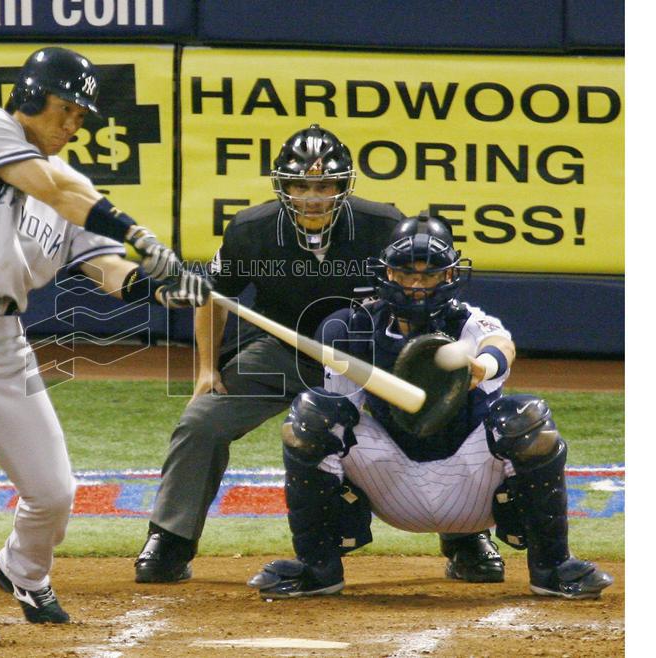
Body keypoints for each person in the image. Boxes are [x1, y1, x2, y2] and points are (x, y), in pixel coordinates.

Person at [0, 46, 210, 646]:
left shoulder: (71, 187)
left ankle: (21, 570)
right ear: (30, 96)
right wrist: (138, 232)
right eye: (65, 108)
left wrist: (159, 287)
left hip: (0, 339)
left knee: (53, 491)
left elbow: (105, 267)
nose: (73, 124)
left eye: (81, 115)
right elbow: (52, 188)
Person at [247, 214, 614, 600]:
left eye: (430, 274)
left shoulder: (470, 323)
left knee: (526, 417)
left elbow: (500, 346)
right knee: (313, 416)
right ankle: (317, 568)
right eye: (407, 273)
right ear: (388, 273)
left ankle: (552, 568)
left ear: (450, 274)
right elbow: (340, 415)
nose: (417, 285)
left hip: (472, 485)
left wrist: (482, 366)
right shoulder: (351, 327)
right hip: (393, 484)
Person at [135, 124, 435, 583]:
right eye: (300, 186)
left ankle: (466, 538)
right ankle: (170, 540)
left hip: (365, 358)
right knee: (201, 423)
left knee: (436, 413)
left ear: (343, 185)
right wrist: (206, 369)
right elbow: (212, 297)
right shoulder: (251, 230)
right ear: (283, 186)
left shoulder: (383, 226)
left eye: (324, 186)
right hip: (281, 353)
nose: (312, 198)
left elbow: (419, 289)